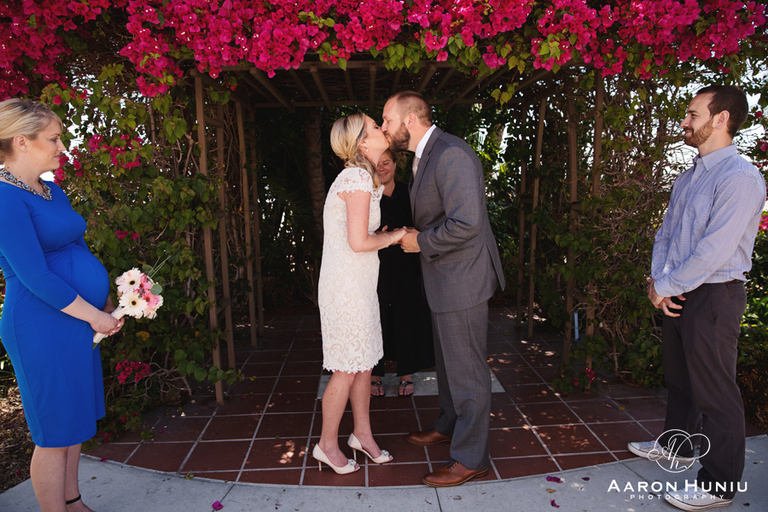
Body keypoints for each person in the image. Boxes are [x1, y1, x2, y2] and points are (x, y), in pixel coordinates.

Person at [628, 85, 765, 511]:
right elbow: (666, 234)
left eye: (692, 114)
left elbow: (714, 250)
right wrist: (659, 281)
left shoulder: (740, 178)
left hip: (715, 295)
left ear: (720, 119)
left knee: (716, 393)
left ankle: (719, 486)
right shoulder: (689, 175)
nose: (685, 122)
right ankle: (678, 446)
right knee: (682, 380)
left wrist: (664, 286)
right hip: (679, 290)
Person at [0, 99, 124, 512]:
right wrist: (96, 316)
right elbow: (35, 277)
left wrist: (103, 297)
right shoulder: (4, 198)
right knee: (54, 431)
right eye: (53, 139)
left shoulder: (50, 189)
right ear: (22, 141)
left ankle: (73, 504)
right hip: (40, 324)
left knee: (73, 424)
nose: (61, 147)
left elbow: (75, 242)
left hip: (76, 321)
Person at [381, 91, 505, 487]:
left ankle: (471, 458)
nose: (384, 128)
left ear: (411, 119)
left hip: (462, 278)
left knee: (467, 371)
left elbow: (466, 223)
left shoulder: (451, 154)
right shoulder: (426, 155)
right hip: (443, 277)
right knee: (450, 366)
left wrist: (421, 242)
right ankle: (451, 425)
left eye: (387, 120)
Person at [314, 112, 405, 474]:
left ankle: (362, 436)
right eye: (374, 126)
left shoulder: (363, 177)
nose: (382, 128)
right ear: (363, 144)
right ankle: (326, 444)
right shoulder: (355, 177)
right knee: (345, 369)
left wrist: (380, 233)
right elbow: (359, 241)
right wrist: (395, 235)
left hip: (358, 284)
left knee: (364, 363)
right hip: (345, 288)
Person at [370, 148, 435, 397]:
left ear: (396, 164)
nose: (382, 168)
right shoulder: (366, 195)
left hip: (406, 264)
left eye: (386, 162)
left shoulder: (410, 192)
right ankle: (375, 373)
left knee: (407, 316)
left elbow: (420, 226)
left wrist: (396, 236)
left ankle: (406, 373)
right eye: (377, 163)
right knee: (375, 318)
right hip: (374, 265)